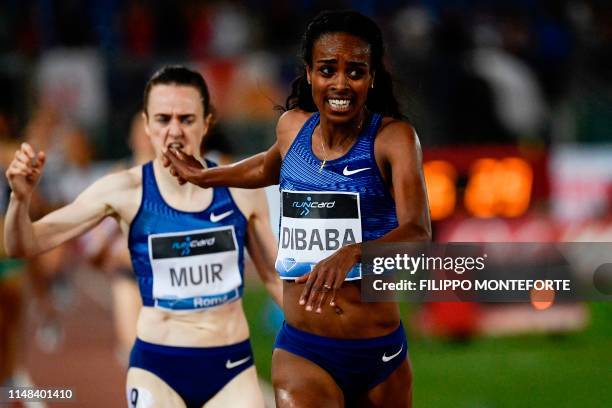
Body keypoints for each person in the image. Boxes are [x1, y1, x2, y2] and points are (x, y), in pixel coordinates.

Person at [163, 11, 431, 408]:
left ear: (372, 77)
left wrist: (354, 253)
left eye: (355, 72)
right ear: (309, 73)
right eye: (327, 70)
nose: (340, 84)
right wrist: (207, 176)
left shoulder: (393, 140)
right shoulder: (292, 128)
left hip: (379, 352)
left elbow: (417, 232)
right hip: (304, 348)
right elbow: (268, 166)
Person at [4, 65, 282, 408]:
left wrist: (323, 338)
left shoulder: (241, 190)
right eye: (163, 119)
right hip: (158, 368)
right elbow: (22, 244)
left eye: (187, 119)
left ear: (207, 122)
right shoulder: (124, 190)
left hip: (232, 368)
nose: (175, 131)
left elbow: (274, 277)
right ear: (147, 125)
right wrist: (19, 198)